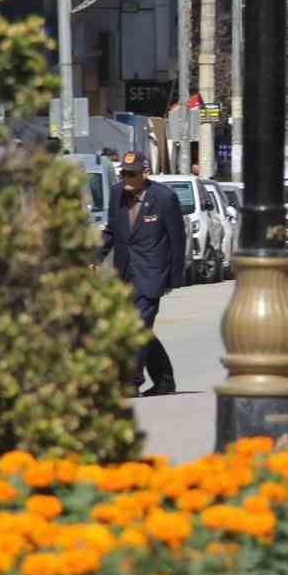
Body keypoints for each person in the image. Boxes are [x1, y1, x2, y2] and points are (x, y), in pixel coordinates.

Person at [99, 150, 185, 396]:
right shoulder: (116, 194)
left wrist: (174, 278)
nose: (126, 178)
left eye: (132, 174)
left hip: (152, 274)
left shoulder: (164, 197)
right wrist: (95, 257)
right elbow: (112, 230)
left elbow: (177, 240)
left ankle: (130, 382)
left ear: (144, 173)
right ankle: (165, 380)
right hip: (124, 273)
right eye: (123, 173)